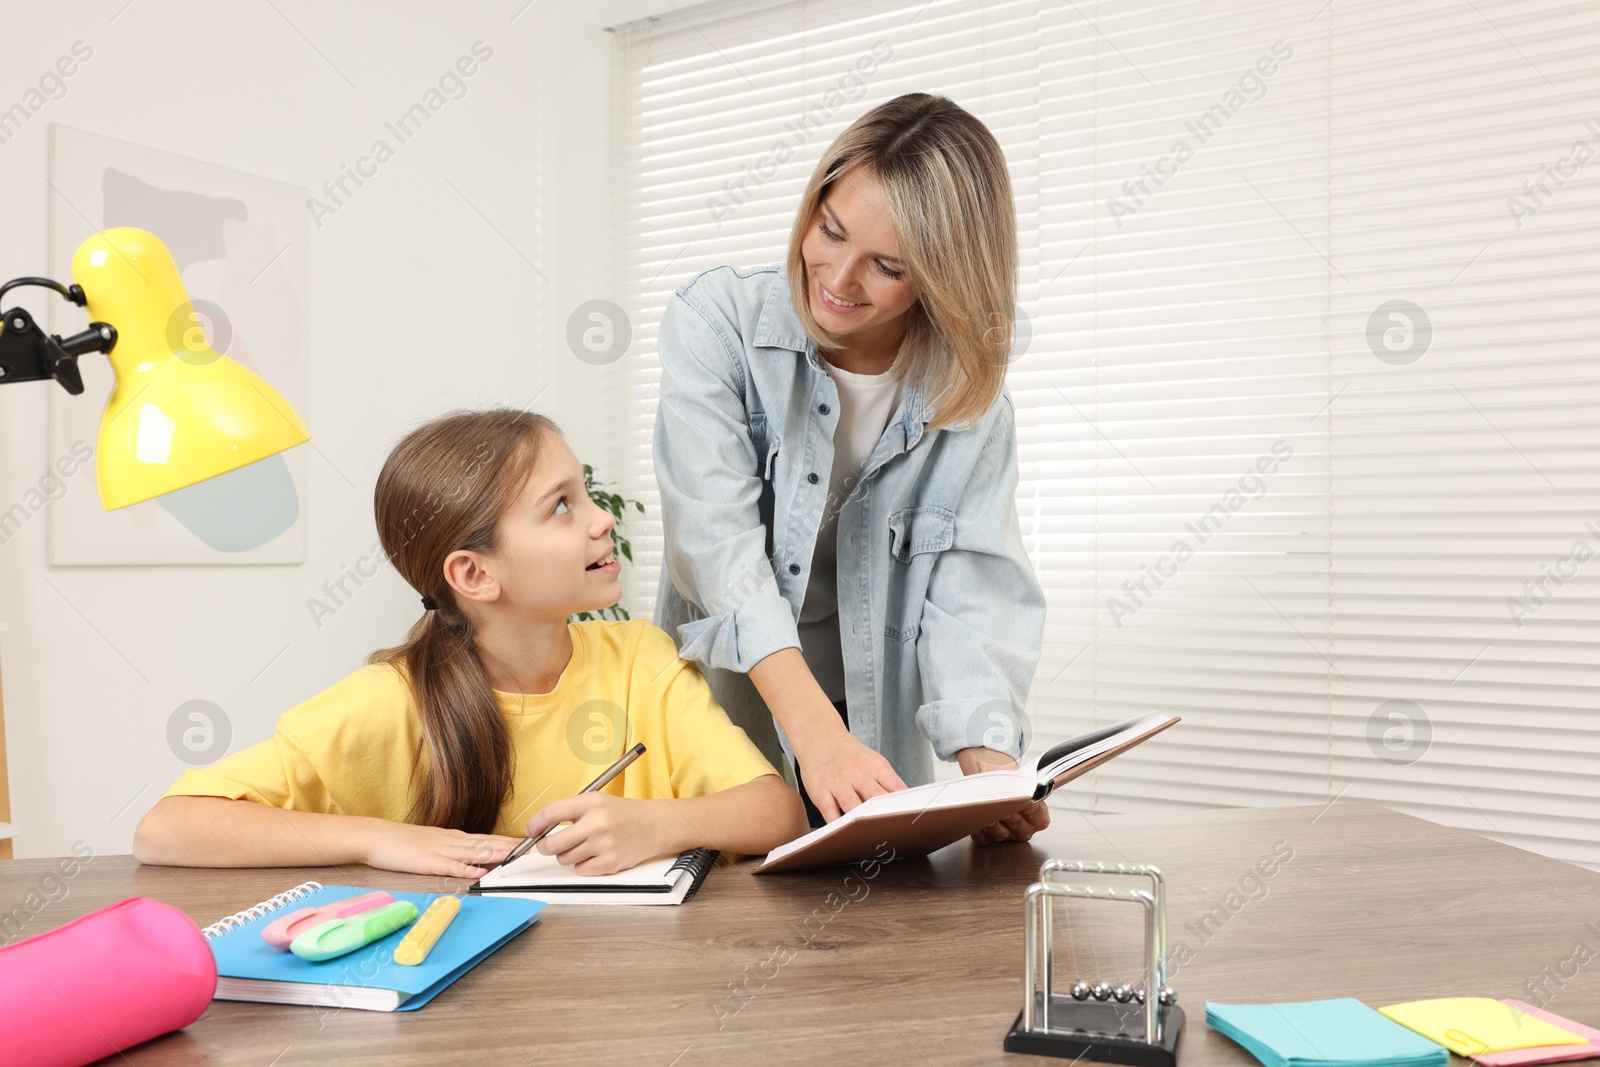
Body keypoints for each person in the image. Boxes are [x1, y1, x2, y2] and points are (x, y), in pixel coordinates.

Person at [134, 409, 807, 879]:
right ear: (474, 573)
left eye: (586, 494)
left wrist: (656, 825)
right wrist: (379, 838)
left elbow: (775, 812)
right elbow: (167, 828)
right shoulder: (388, 701)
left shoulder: (640, 657)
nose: (603, 520)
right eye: (563, 505)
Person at [653, 92, 1049, 842]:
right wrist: (815, 736)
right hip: (727, 711)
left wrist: (990, 768)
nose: (837, 277)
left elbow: (976, 593)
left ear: (943, 276)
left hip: (865, 723)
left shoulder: (968, 399)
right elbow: (715, 544)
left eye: (888, 266)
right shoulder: (718, 323)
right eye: (829, 230)